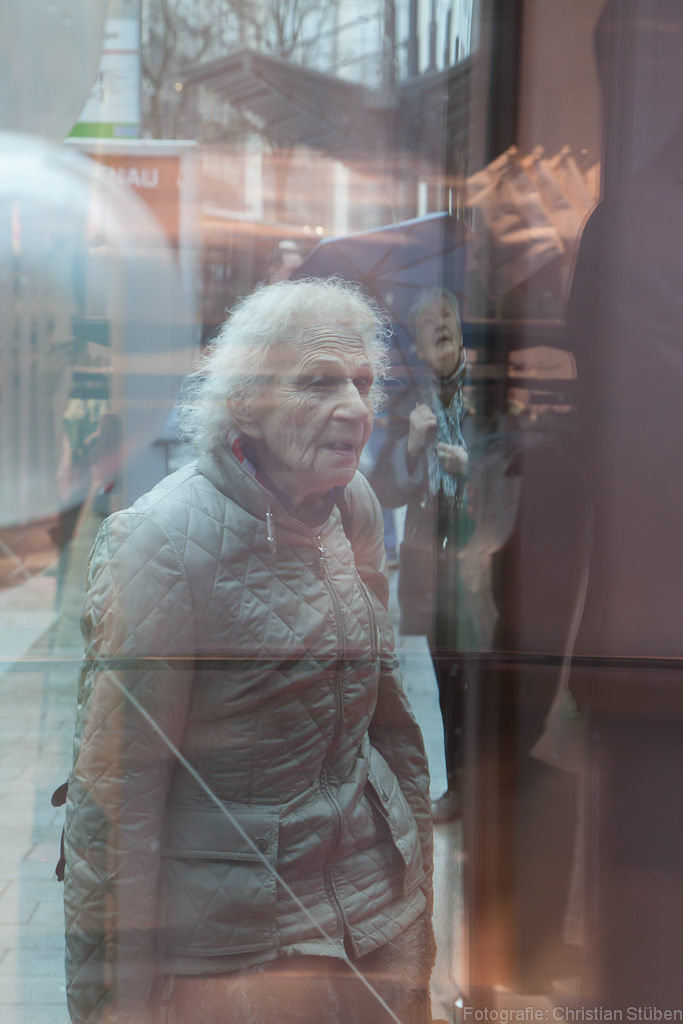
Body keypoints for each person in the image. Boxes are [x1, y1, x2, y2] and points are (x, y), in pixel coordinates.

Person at [62, 278, 435, 1024]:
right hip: (238, 950)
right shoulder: (159, 543)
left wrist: (417, 889)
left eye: (363, 383)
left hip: (377, 920)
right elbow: (115, 799)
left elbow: (389, 724)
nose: (356, 408)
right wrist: (112, 1008)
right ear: (244, 405)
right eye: (319, 383)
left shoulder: (352, 505)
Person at [369, 288, 472, 825]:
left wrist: (471, 469)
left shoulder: (489, 392)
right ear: (417, 344)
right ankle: (460, 789)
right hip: (433, 564)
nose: (441, 325)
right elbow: (384, 491)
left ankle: (496, 788)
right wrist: (411, 445)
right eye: (428, 321)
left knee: (489, 676)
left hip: (483, 561)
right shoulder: (410, 404)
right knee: (447, 678)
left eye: (447, 315)